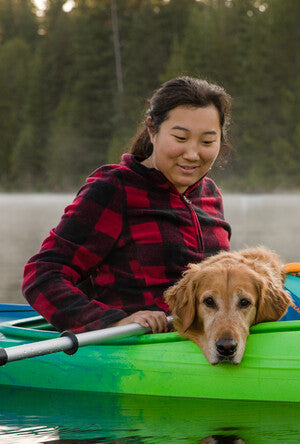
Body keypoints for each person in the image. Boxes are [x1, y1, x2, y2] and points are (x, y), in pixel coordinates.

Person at [22, 77, 232, 334]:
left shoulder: (210, 194)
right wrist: (111, 321)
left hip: (208, 345)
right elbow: (43, 274)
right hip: (135, 351)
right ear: (152, 130)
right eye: (180, 137)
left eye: (207, 142)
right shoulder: (114, 189)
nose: (192, 153)